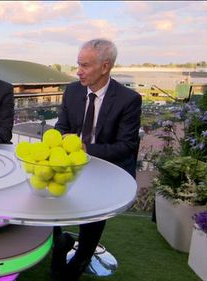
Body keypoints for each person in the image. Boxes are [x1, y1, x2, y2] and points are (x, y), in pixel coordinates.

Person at [51, 38, 142, 281]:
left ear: (105, 66)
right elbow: (61, 127)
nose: (78, 71)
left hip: (107, 169)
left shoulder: (129, 99)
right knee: (51, 195)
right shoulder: (72, 90)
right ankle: (60, 240)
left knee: (92, 213)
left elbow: (126, 146)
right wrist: (61, 141)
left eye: (85, 65)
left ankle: (83, 256)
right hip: (73, 163)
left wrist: (84, 148)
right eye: (78, 65)